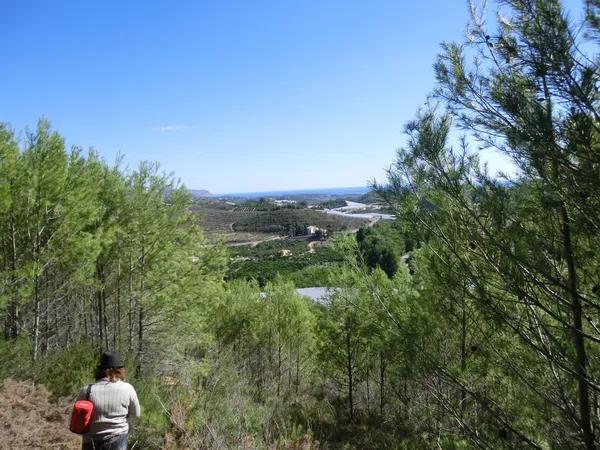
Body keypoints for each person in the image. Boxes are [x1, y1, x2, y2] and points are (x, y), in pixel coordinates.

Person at [78, 351, 141, 450]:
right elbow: (136, 414)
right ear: (120, 370)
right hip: (118, 440)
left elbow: (78, 416)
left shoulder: (87, 390)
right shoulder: (128, 388)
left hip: (90, 441)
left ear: (99, 370)